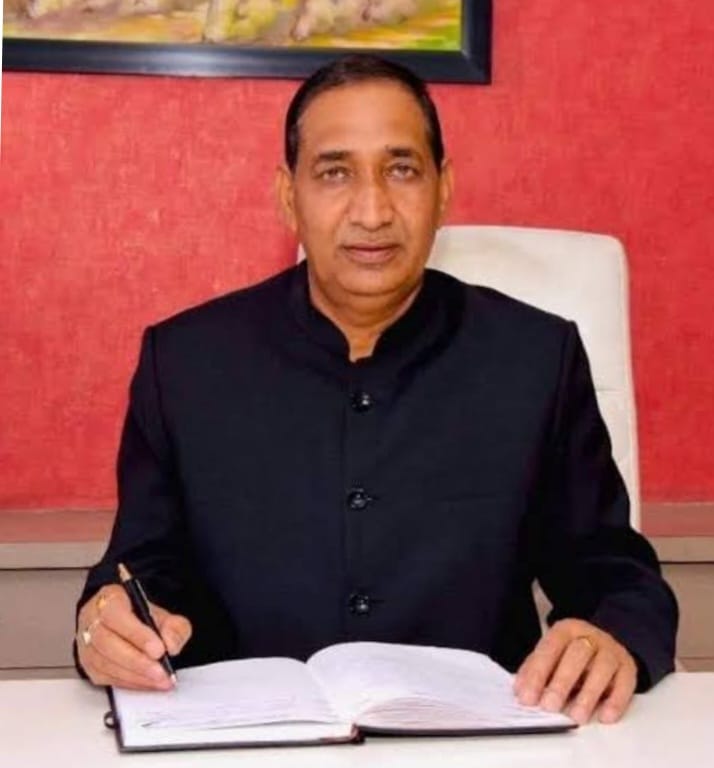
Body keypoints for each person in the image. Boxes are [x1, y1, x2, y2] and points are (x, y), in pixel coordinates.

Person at [75, 55, 677, 725]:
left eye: (402, 170)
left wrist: (611, 633)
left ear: (443, 189)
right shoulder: (186, 361)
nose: (372, 210)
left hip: (480, 744)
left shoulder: (535, 357)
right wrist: (108, 625)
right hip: (244, 743)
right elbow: (138, 572)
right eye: (335, 172)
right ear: (288, 196)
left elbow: (612, 573)